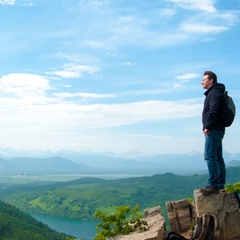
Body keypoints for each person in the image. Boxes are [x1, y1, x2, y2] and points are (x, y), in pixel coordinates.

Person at [199, 71, 226, 195]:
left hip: (214, 129)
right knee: (218, 157)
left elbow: (213, 110)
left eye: (204, 79)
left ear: (211, 80)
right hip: (218, 128)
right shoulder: (216, 92)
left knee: (210, 156)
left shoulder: (214, 93)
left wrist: (207, 126)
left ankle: (213, 184)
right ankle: (220, 185)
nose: (202, 81)